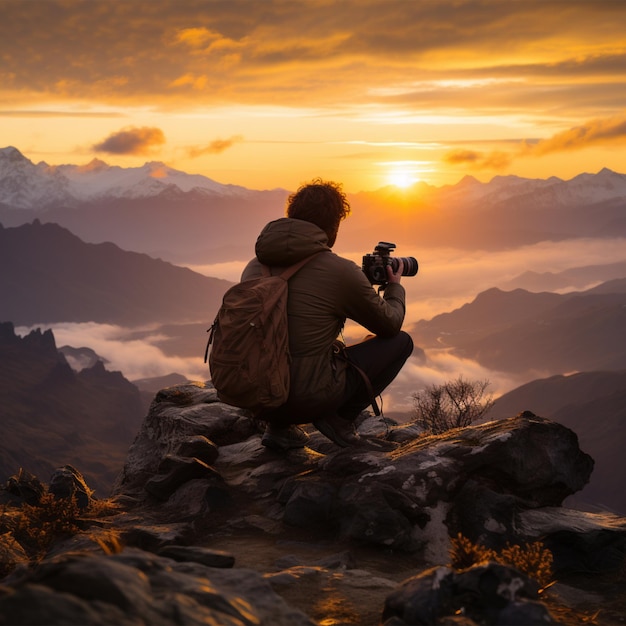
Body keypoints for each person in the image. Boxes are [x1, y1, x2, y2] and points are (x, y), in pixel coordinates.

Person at [240, 178, 414, 450]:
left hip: (254, 396)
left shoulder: (254, 266)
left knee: (313, 343)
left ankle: (278, 428)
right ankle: (340, 421)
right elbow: (389, 326)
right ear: (333, 225)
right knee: (401, 341)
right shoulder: (339, 271)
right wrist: (394, 288)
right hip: (305, 399)